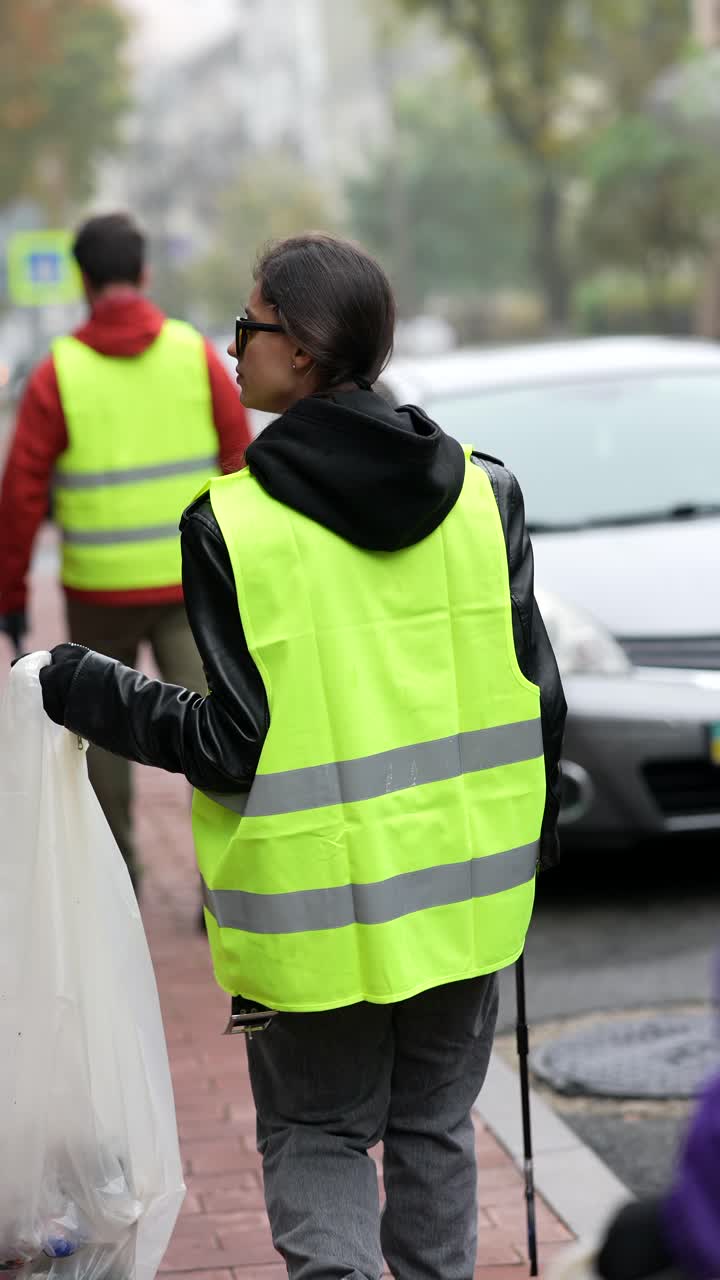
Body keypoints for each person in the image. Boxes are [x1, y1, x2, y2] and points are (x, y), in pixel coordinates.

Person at [36, 231, 566, 1280]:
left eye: (250, 325)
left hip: (315, 917)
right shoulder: (482, 492)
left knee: (319, 1134)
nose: (232, 347)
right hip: (467, 899)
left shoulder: (235, 523)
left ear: (308, 351)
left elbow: (234, 743)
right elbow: (540, 705)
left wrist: (86, 686)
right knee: (434, 1124)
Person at [0, 211, 251, 890]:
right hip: (191, 585)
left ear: (83, 281)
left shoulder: (58, 373)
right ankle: (221, 882)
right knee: (218, 727)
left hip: (98, 589)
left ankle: (122, 879)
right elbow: (240, 460)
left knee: (104, 727)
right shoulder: (193, 354)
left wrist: (12, 596)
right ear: (144, 273)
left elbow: (21, 492)